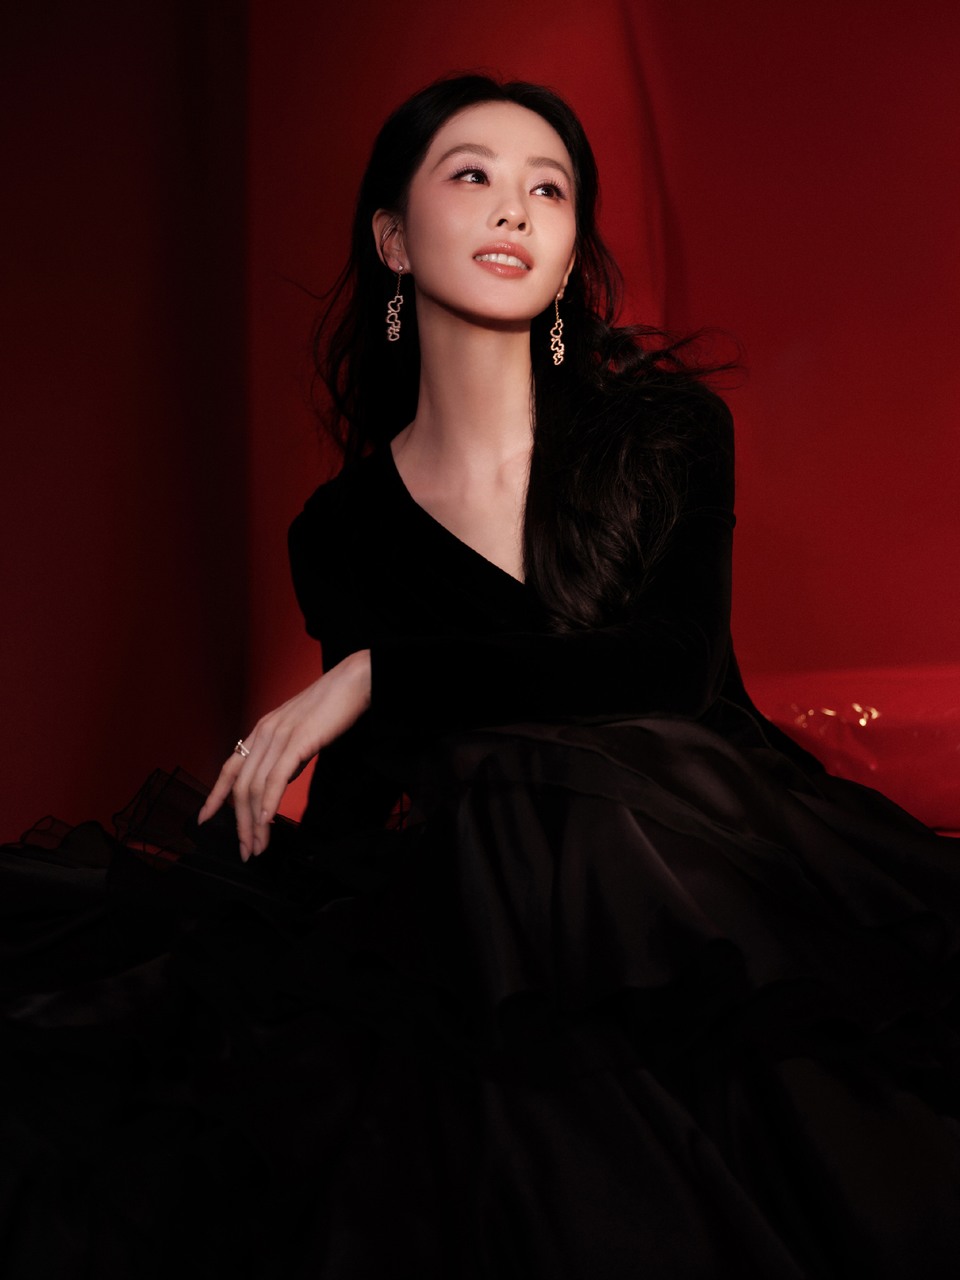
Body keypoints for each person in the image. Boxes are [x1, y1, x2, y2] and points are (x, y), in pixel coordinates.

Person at [2, 74, 959, 1279]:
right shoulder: (340, 529)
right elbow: (380, 792)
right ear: (393, 239)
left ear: (568, 252)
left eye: (549, 190)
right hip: (491, 909)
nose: (516, 209)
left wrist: (378, 673)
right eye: (474, 176)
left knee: (543, 789)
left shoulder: (661, 432)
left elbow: (669, 672)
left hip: (702, 866)